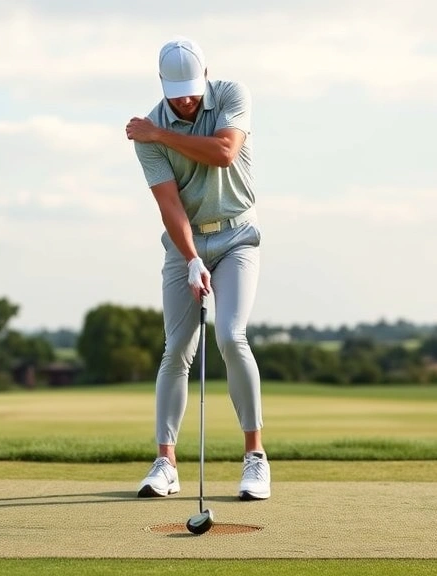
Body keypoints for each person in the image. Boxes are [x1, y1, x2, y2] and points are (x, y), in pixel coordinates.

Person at [125, 37, 271, 501]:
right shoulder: (147, 136)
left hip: (237, 235)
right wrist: (190, 259)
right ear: (161, 83)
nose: (185, 102)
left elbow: (224, 152)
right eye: (176, 94)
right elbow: (169, 205)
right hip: (184, 243)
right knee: (176, 350)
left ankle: (255, 457)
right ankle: (165, 464)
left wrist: (161, 134)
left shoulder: (231, 95)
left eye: (191, 92)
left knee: (230, 335)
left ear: (205, 76)